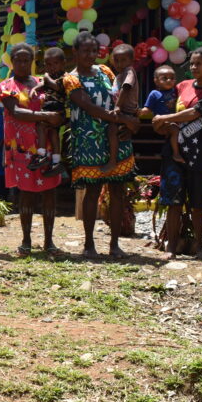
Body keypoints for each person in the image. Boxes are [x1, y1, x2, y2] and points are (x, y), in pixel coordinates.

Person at [62, 31, 139, 258]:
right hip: (88, 141)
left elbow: (121, 96)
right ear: (75, 52)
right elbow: (90, 108)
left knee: (117, 191)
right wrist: (125, 120)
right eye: (85, 51)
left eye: (94, 51)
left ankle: (114, 244)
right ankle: (88, 244)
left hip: (116, 137)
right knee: (92, 190)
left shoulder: (106, 71)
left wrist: (129, 117)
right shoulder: (71, 79)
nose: (90, 55)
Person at [152, 48, 202, 259]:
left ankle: (200, 247)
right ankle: (171, 248)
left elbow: (196, 112)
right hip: (174, 154)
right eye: (192, 64)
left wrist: (166, 119)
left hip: (201, 154)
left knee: (198, 204)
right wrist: (159, 122)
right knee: (173, 203)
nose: (194, 67)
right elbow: (164, 113)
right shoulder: (181, 86)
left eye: (199, 64)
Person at [0, 43, 65, 257]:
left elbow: (56, 103)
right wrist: (45, 117)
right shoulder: (6, 86)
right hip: (21, 148)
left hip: (46, 145)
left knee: (49, 192)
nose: (23, 63)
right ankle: (26, 240)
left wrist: (57, 117)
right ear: (12, 61)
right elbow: (15, 111)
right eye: (18, 59)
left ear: (32, 62)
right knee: (25, 193)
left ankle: (49, 241)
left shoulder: (42, 82)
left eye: (27, 60)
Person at [28, 47, 67, 175]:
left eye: (55, 63)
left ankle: (41, 154)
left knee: (40, 125)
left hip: (56, 106)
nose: (52, 67)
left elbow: (58, 87)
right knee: (53, 133)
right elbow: (44, 84)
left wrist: (45, 77)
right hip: (52, 106)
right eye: (49, 64)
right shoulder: (49, 76)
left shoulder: (66, 77)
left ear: (63, 63)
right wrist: (35, 89)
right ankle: (56, 161)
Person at [104, 43, 139, 174]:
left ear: (131, 61)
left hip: (126, 110)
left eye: (123, 60)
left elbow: (126, 88)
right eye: (116, 60)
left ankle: (113, 161)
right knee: (120, 134)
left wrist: (118, 106)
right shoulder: (119, 74)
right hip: (124, 110)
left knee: (112, 129)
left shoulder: (129, 71)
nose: (119, 63)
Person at [140, 65, 182, 164]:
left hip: (174, 121)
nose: (169, 80)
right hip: (161, 124)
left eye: (172, 78)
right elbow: (147, 109)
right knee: (174, 129)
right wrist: (140, 111)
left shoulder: (176, 91)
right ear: (156, 81)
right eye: (165, 78)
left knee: (176, 128)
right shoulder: (154, 94)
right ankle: (176, 153)